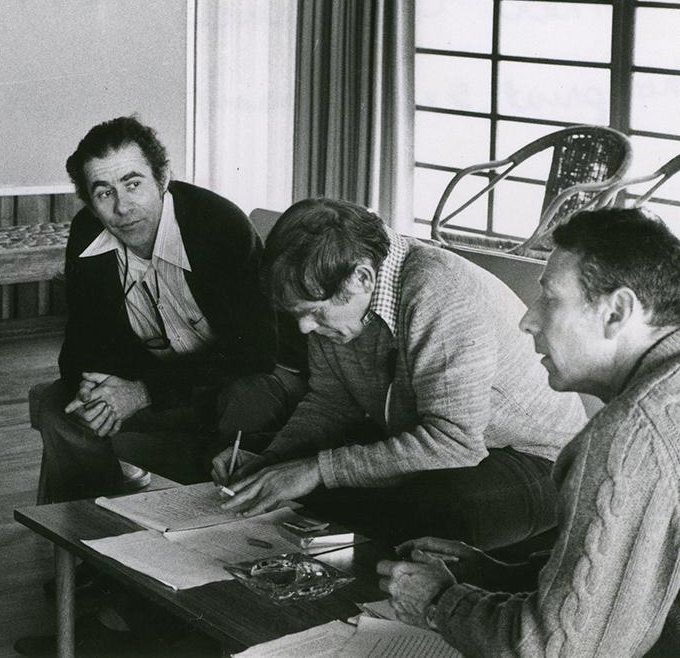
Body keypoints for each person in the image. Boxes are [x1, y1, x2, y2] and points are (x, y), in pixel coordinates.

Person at [378, 208, 680, 657]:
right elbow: (638, 574)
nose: (528, 320)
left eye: (549, 298)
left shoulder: (630, 435)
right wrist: (491, 572)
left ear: (616, 312)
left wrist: (438, 601)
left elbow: (557, 650)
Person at [214, 198, 587, 549]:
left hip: (539, 458)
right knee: (305, 479)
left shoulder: (438, 293)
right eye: (297, 314)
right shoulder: (334, 289)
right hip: (439, 439)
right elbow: (330, 402)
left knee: (430, 508)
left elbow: (453, 443)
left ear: (362, 278)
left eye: (314, 312)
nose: (305, 329)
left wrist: (314, 469)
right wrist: (272, 460)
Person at [35, 115, 286, 503]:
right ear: (89, 200)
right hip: (164, 384)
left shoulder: (219, 227)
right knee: (59, 407)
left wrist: (143, 391)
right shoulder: (88, 232)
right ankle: (96, 539)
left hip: (237, 381)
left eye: (133, 184)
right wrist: (95, 387)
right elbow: (81, 341)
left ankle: (211, 534)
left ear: (163, 178)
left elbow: (256, 354)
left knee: (247, 396)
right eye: (104, 193)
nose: (122, 207)